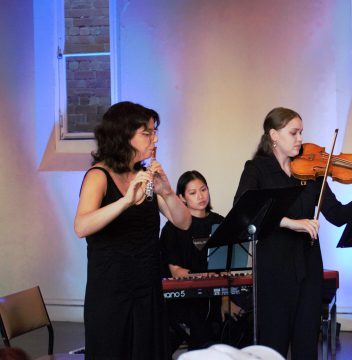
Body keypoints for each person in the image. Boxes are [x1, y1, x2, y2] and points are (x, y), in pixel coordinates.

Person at [233, 107, 352, 359]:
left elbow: (338, 215)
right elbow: (244, 212)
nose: (300, 139)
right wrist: (290, 222)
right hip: (274, 269)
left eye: (301, 133)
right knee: (273, 346)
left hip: (308, 266)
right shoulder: (257, 169)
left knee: (307, 345)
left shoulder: (312, 172)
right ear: (273, 135)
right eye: (293, 133)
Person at [74, 101, 191, 360]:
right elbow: (82, 226)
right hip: (111, 292)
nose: (155, 138)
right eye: (147, 133)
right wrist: (125, 201)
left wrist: (168, 191)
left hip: (147, 288)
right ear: (124, 136)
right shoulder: (98, 175)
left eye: (154, 131)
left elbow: (183, 222)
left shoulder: (146, 175)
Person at [160, 170, 247, 354]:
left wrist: (225, 299)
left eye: (203, 189)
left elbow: (227, 270)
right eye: (192, 193)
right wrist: (208, 278)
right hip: (185, 301)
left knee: (245, 319)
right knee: (199, 326)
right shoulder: (172, 229)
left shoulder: (221, 223)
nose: (200, 196)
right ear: (181, 198)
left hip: (217, 297)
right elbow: (177, 273)